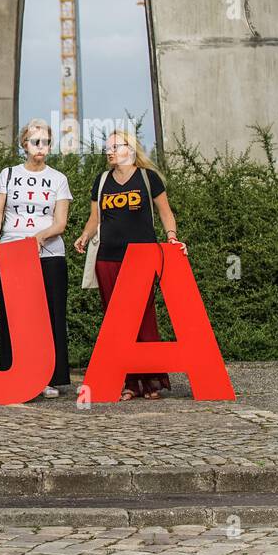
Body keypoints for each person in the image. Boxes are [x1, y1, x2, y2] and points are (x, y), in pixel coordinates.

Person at [73, 129, 182, 400]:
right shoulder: (101, 181)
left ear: (130, 149)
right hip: (107, 259)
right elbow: (94, 219)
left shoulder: (148, 178)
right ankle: (130, 383)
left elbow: (166, 212)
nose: (109, 151)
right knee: (116, 322)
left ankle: (152, 380)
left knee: (143, 317)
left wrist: (171, 238)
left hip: (142, 258)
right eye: (107, 147)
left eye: (115, 146)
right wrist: (85, 235)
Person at [0, 118, 72, 397]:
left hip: (49, 255)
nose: (41, 147)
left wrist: (37, 239)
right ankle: (14, 374)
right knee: (14, 316)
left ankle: (47, 377)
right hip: (12, 253)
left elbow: (60, 222)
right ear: (24, 144)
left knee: (49, 315)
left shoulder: (58, 179)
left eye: (46, 142)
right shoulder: (8, 174)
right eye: (36, 141)